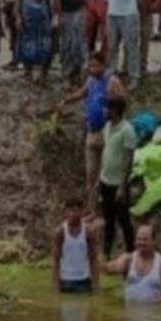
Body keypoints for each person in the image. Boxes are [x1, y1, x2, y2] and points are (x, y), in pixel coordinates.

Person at [58, 52, 125, 213]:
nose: (91, 68)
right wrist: (65, 101)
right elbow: (81, 93)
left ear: (103, 65)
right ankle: (91, 210)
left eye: (95, 65)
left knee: (105, 174)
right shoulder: (90, 81)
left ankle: (108, 208)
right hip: (91, 132)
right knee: (90, 175)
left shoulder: (112, 81)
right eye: (90, 65)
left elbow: (122, 102)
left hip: (107, 133)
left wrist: (111, 115)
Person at [98, 96, 137, 258]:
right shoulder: (107, 127)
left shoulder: (127, 130)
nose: (105, 111)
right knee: (108, 220)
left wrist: (122, 185)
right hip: (105, 180)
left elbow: (129, 160)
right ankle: (106, 253)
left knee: (124, 221)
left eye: (108, 108)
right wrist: (98, 178)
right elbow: (105, 152)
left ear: (116, 111)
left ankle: (132, 253)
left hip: (118, 184)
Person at [104, 224, 161, 304]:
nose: (141, 243)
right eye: (138, 239)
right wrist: (95, 255)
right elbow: (107, 269)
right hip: (130, 312)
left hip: (154, 312)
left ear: (154, 241)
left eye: (145, 240)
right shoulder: (128, 260)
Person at [52, 198, 102, 293]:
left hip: (84, 280)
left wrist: (96, 285)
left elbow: (93, 259)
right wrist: (56, 286)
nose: (72, 214)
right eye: (69, 211)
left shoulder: (88, 232)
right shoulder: (60, 232)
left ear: (81, 212)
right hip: (66, 281)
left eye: (75, 211)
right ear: (65, 213)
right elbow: (56, 260)